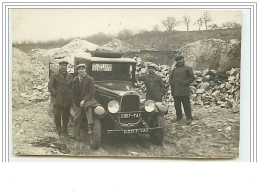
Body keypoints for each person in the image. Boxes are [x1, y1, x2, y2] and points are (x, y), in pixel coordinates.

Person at [72, 63, 98, 141]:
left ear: (85, 70)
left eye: (82, 69)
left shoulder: (90, 79)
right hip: (78, 101)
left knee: (89, 110)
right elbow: (73, 92)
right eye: (79, 69)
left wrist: (84, 100)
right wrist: (76, 101)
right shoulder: (75, 79)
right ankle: (76, 135)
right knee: (77, 118)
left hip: (88, 100)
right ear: (77, 71)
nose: (81, 70)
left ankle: (90, 127)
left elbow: (92, 93)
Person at [48, 60, 73, 135]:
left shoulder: (70, 76)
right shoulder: (54, 75)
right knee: (57, 115)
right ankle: (59, 129)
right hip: (58, 99)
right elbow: (50, 85)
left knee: (66, 116)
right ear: (59, 66)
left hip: (67, 99)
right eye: (62, 66)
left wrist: (70, 95)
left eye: (65, 66)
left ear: (66, 67)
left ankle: (65, 130)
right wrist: (55, 93)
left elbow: (72, 87)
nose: (63, 67)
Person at [169, 56, 195, 124]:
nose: (179, 61)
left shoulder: (187, 68)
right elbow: (170, 78)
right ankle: (179, 117)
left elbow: (192, 77)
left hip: (184, 90)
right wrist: (172, 83)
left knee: (186, 105)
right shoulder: (174, 69)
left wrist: (185, 82)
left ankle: (189, 118)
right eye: (177, 60)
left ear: (183, 60)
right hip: (176, 91)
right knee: (177, 105)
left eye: (180, 60)